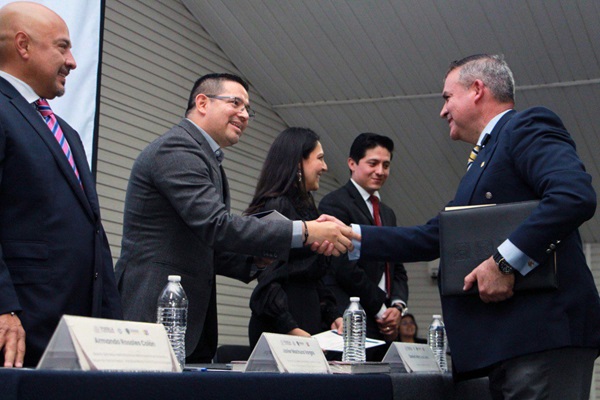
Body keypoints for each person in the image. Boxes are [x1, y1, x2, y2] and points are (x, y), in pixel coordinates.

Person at [339, 54, 600, 399]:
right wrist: (351, 236)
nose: (442, 110)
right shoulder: (485, 158)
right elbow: (438, 235)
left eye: (447, 97)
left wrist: (503, 262)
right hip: (515, 345)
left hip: (540, 340)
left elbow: (573, 195)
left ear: (477, 89)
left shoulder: (526, 127)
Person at [115, 73, 354, 364]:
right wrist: (305, 231)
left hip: (189, 319)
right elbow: (217, 226)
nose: (244, 115)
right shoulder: (177, 149)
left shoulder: (207, 159)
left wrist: (258, 259)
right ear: (202, 102)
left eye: (248, 109)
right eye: (236, 103)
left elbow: (207, 248)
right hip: (155, 308)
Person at [0, 2, 122, 368]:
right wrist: (3, 307)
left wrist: (111, 323)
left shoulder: (66, 132)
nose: (72, 62)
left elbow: (91, 233)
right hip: (18, 335)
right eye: (62, 47)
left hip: (73, 339)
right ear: (23, 45)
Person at [245, 127, 342, 348]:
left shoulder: (307, 206)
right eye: (320, 158)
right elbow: (268, 278)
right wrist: (289, 327)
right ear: (299, 163)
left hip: (305, 322)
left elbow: (313, 273)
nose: (325, 167)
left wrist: (331, 314)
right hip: (282, 326)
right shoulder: (277, 205)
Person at [319, 132, 408, 361]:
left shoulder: (387, 213)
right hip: (351, 320)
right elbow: (344, 267)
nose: (380, 171)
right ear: (352, 163)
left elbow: (397, 267)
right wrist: (380, 310)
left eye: (386, 165)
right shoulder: (334, 203)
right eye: (373, 163)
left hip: (386, 324)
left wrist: (397, 308)